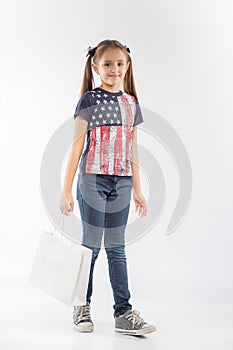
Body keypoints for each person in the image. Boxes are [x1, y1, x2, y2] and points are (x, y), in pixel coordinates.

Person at [60, 39, 156, 336]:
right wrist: (66, 190)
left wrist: (138, 188)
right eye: (108, 64)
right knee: (91, 247)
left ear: (127, 67)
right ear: (96, 67)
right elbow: (77, 147)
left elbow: (133, 148)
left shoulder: (132, 103)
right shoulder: (90, 100)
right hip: (92, 179)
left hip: (123, 181)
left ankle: (123, 313)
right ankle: (81, 305)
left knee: (117, 248)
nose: (114, 69)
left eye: (120, 64)